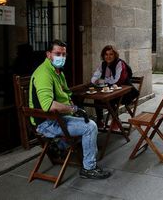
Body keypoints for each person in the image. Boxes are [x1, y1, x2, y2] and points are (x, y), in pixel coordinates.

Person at [29, 39, 111, 180]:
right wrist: (73, 109)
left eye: (64, 54)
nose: (61, 57)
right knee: (90, 127)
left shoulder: (57, 71)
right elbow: (48, 105)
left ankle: (59, 145)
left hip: (58, 118)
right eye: (57, 54)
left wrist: (74, 107)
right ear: (48, 54)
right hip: (47, 122)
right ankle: (88, 168)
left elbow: (66, 94)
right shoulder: (44, 73)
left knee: (88, 120)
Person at [90, 45, 137, 128]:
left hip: (126, 92)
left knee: (109, 99)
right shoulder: (103, 64)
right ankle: (100, 120)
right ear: (103, 55)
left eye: (111, 54)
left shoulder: (120, 63)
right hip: (111, 90)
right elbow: (96, 74)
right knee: (97, 99)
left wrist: (103, 80)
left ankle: (116, 120)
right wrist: (95, 80)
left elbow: (117, 80)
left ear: (115, 55)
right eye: (106, 54)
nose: (108, 56)